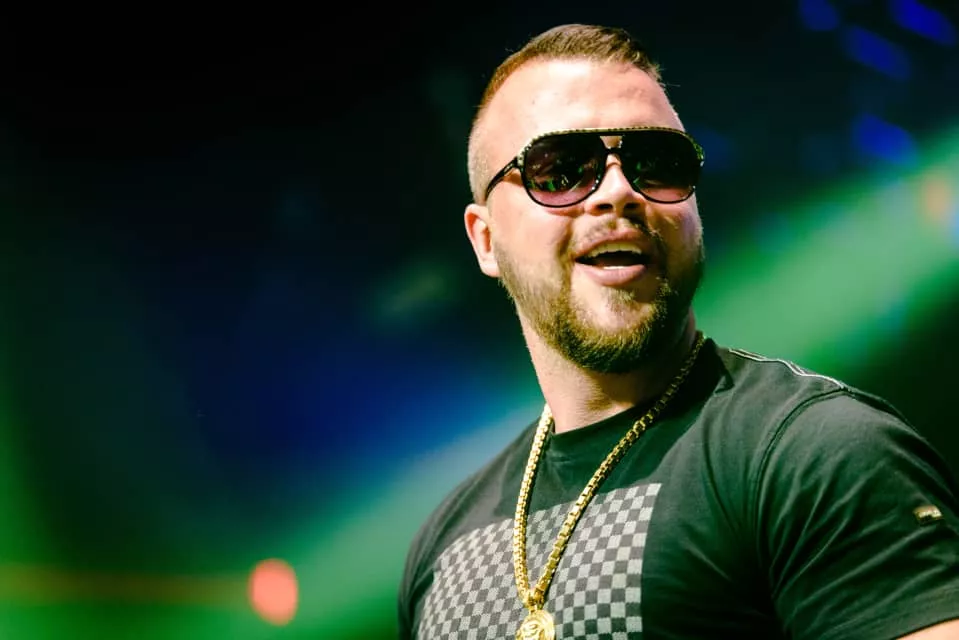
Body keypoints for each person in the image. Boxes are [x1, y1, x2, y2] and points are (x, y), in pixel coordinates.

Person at [397, 23, 959, 639]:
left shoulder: (815, 453)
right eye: (559, 170)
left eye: (656, 163)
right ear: (485, 239)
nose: (618, 191)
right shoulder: (442, 546)